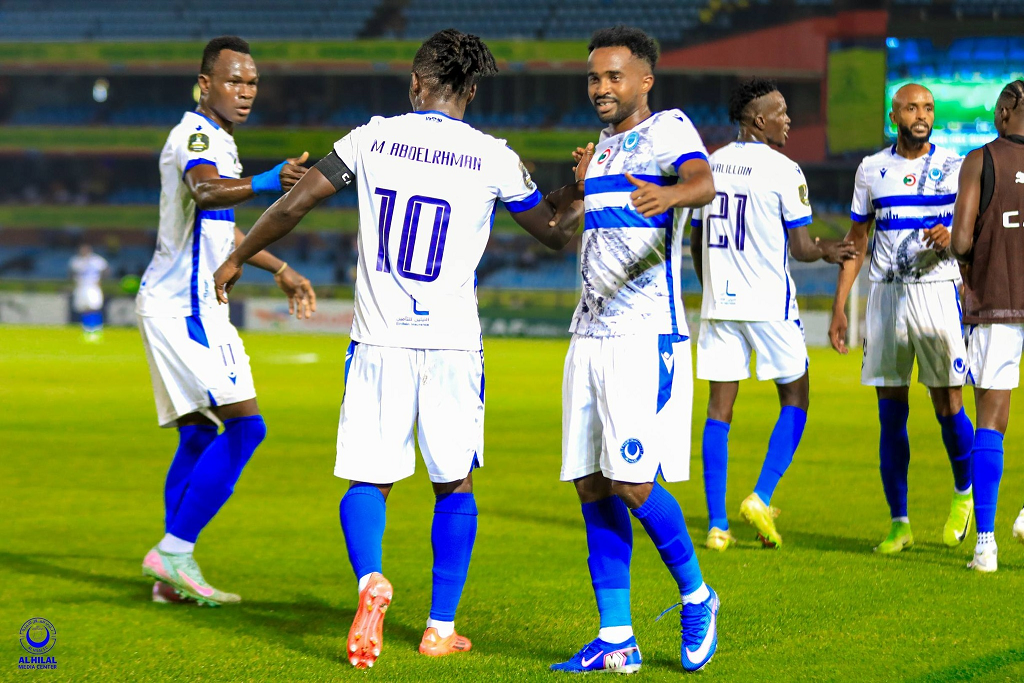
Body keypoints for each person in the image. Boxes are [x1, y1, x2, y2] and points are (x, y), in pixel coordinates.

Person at [213, 28, 590, 668]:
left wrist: (238, 257)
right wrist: (578, 188)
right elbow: (553, 232)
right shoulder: (493, 156)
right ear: (472, 93)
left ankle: (371, 580)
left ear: (416, 84)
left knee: (368, 478)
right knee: (455, 484)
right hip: (452, 346)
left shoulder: (372, 138)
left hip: (378, 339)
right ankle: (439, 628)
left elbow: (293, 206)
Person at [551, 26, 719, 675]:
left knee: (631, 479)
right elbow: (570, 230)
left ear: (644, 80)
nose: (601, 87)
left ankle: (698, 594)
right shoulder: (600, 151)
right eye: (595, 77)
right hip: (588, 333)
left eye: (614, 76)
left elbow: (702, 181)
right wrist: (578, 187)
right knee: (592, 482)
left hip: (643, 334)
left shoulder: (667, 128)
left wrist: (671, 193)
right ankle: (616, 635)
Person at [137, 35, 317, 605]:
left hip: (186, 304)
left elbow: (221, 226)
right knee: (246, 427)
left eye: (252, 82)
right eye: (233, 80)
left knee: (198, 434)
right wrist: (266, 181)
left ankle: (170, 577)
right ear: (204, 83)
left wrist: (279, 267)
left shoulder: (220, 141)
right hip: (185, 308)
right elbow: (206, 191)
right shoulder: (195, 135)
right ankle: (174, 550)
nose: (245, 91)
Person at [690, 78, 855, 551]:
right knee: (796, 396)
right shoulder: (784, 170)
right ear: (758, 120)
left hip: (720, 305)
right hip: (769, 303)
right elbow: (801, 248)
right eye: (780, 111)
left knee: (719, 409)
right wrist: (828, 249)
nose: (788, 119)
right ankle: (760, 496)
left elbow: (697, 243)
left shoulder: (709, 165)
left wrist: (713, 290)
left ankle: (717, 526)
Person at [828, 83, 975, 554]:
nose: (921, 115)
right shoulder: (872, 169)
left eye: (927, 107)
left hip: (937, 293)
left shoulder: (956, 167)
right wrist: (839, 305)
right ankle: (899, 522)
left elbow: (976, 230)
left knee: (949, 404)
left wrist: (953, 235)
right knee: (890, 415)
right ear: (894, 116)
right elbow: (857, 240)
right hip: (886, 296)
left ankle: (964, 491)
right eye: (912, 108)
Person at [950, 79, 1024, 573]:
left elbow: (959, 241)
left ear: (1003, 112)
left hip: (999, 299)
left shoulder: (981, 160)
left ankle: (986, 545)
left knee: (991, 420)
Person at [69, 243, 109, 342]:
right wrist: (74, 282)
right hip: (81, 287)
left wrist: (101, 280)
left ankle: (97, 330)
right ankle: (87, 330)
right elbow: (71, 273)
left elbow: (106, 270)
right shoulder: (76, 261)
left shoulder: (96, 260)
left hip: (93, 287)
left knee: (94, 308)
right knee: (84, 308)